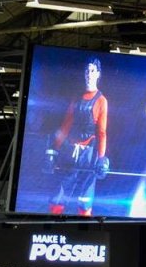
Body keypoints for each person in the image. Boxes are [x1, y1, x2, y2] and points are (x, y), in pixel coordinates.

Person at [43, 56, 109, 216]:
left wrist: (101, 158)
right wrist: (53, 150)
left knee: (84, 199)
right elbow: (66, 125)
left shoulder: (101, 101)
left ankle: (85, 231)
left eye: (92, 70)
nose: (89, 73)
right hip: (69, 153)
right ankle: (53, 227)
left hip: (88, 155)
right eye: (87, 70)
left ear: (98, 74)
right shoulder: (77, 98)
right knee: (58, 197)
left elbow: (101, 132)